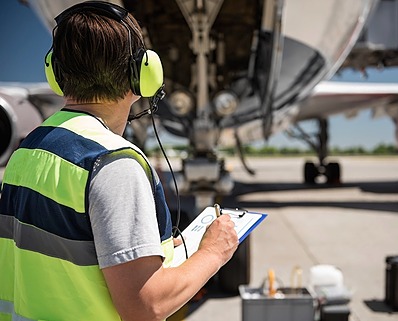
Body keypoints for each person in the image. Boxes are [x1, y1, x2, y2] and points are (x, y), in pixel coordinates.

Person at [0, 1, 238, 320]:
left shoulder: (28, 150)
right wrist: (213, 252)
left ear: (56, 73)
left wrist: (161, 248)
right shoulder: (111, 163)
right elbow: (146, 306)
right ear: (142, 76)